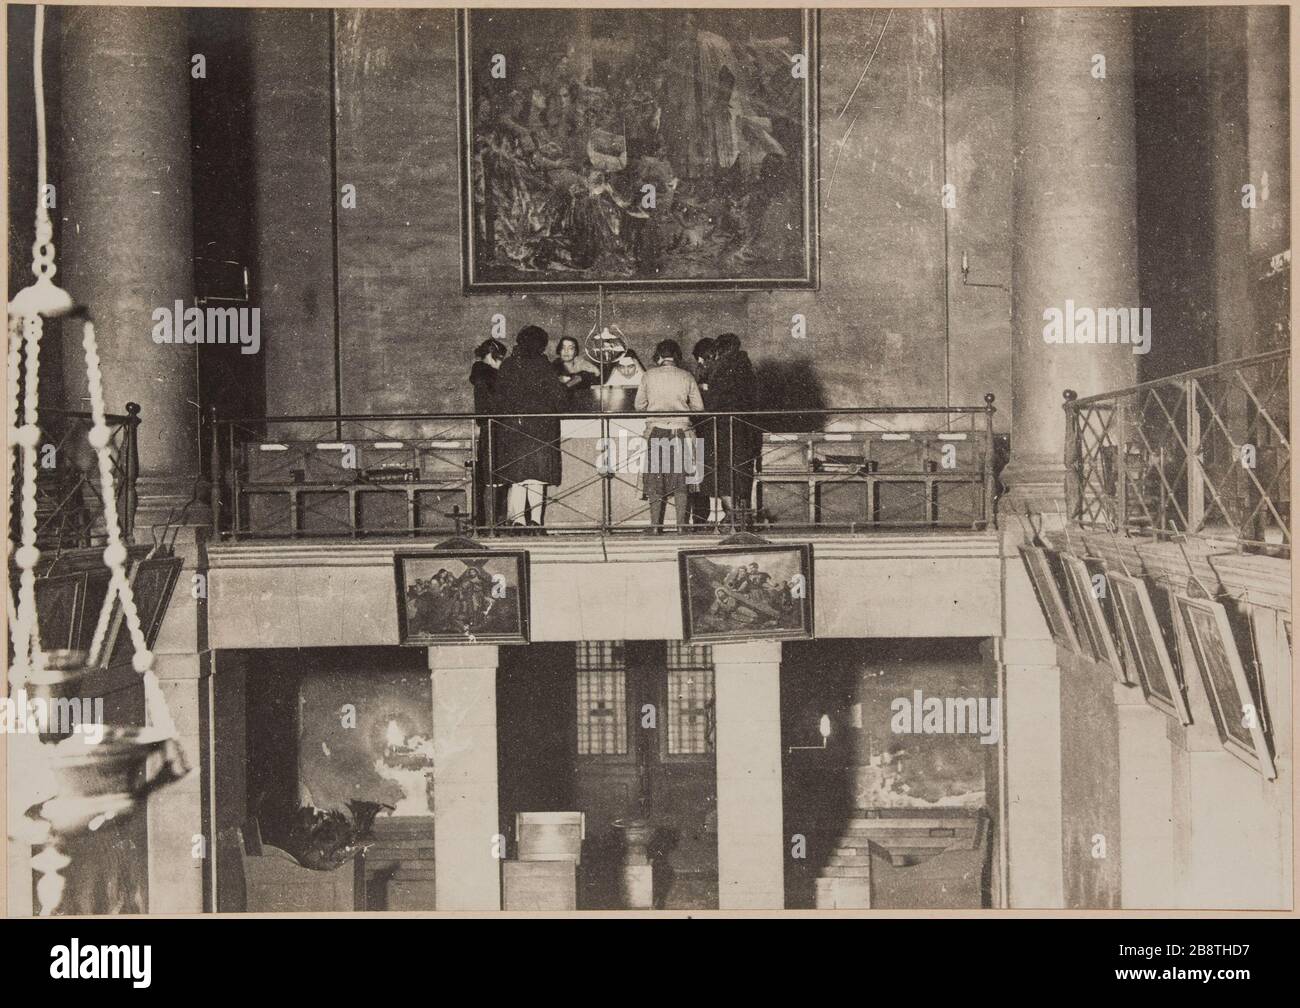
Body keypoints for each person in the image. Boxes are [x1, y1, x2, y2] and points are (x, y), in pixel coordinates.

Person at [494, 325, 567, 530]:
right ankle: (535, 521)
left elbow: (499, 397)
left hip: (513, 428)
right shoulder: (544, 366)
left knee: (518, 478)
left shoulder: (508, 365)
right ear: (541, 345)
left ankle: (518, 521)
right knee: (537, 478)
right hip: (541, 428)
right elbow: (559, 397)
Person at [635, 338, 703, 533]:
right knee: (681, 481)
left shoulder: (648, 375)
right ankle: (681, 526)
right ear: (677, 356)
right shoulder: (686, 375)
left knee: (656, 480)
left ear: (658, 356)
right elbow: (699, 407)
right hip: (681, 432)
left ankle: (655, 526)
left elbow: (638, 406)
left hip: (655, 432)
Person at [698, 331, 758, 526]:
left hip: (723, 429)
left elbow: (716, 401)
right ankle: (741, 515)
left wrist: (705, 391)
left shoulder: (722, 367)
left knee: (723, 473)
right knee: (740, 472)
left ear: (719, 350)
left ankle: (734, 515)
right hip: (745, 430)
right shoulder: (745, 366)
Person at [469, 339, 506, 527]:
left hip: (487, 428)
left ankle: (489, 523)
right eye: (501, 359)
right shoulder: (490, 377)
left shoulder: (480, 376)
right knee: (494, 476)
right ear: (492, 356)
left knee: (489, 476)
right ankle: (494, 523)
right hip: (496, 429)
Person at [554, 335, 601, 408]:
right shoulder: (554, 367)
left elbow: (596, 375)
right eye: (563, 348)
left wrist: (581, 376)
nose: (566, 351)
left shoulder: (583, 364)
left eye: (571, 348)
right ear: (559, 350)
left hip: (583, 406)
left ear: (576, 352)